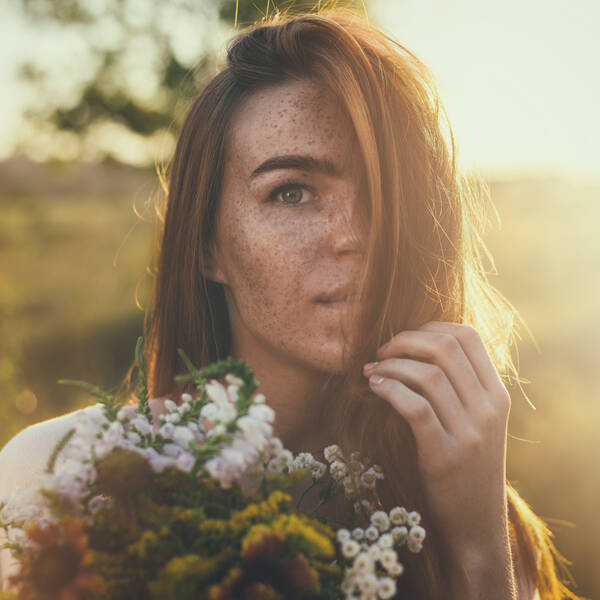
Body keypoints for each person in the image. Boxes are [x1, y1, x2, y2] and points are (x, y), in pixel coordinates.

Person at [0, 8, 581, 599]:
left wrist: (479, 553)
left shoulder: (481, 520)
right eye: (291, 192)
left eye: (385, 195)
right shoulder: (64, 478)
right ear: (207, 246)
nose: (355, 235)